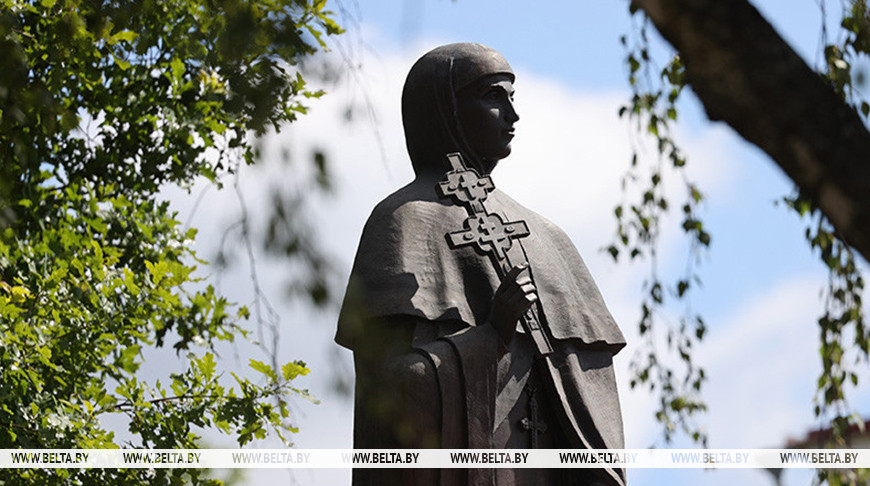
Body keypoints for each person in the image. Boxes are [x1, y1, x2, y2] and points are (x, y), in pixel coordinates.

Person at [336, 43, 627, 486]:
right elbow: (389, 398)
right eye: (493, 96)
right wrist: (489, 339)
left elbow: (589, 400)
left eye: (513, 97)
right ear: (443, 110)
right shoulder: (403, 221)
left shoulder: (547, 237)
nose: (512, 115)